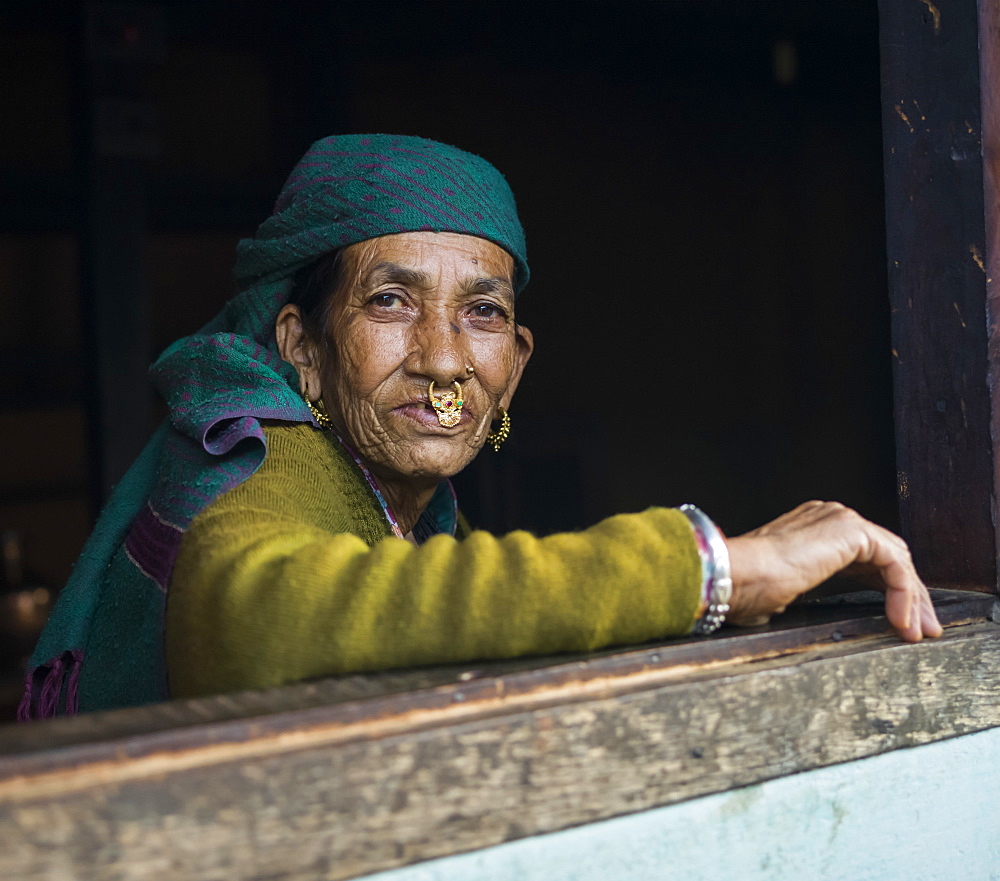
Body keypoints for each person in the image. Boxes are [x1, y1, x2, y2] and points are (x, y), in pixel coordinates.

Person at [21, 134, 941, 719]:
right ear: (300, 347)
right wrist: (720, 568)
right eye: (391, 301)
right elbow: (259, 617)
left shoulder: (400, 493)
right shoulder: (273, 459)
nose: (444, 359)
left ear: (519, 362)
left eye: (483, 314)